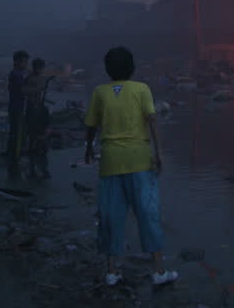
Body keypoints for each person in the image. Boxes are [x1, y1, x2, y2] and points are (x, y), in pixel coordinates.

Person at [84, 46, 177, 287]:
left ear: (107, 69)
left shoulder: (100, 92)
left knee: (111, 217)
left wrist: (87, 148)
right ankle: (159, 270)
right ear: (132, 67)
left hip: (110, 162)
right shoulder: (141, 89)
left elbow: (91, 126)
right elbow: (152, 120)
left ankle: (112, 271)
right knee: (148, 215)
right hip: (140, 162)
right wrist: (160, 153)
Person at [22, 58, 52, 179]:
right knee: (32, 130)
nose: (40, 69)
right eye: (39, 67)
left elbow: (42, 91)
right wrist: (36, 92)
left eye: (41, 67)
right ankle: (32, 152)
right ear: (35, 67)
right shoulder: (29, 78)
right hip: (31, 106)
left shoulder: (42, 78)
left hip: (39, 105)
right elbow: (25, 91)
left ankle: (40, 149)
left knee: (40, 128)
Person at [7, 50, 29, 177]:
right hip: (17, 108)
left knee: (14, 132)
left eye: (26, 61)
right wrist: (36, 89)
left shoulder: (17, 74)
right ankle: (15, 158)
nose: (25, 64)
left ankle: (12, 155)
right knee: (17, 133)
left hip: (15, 106)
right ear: (16, 61)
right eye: (23, 61)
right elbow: (23, 90)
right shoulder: (16, 74)